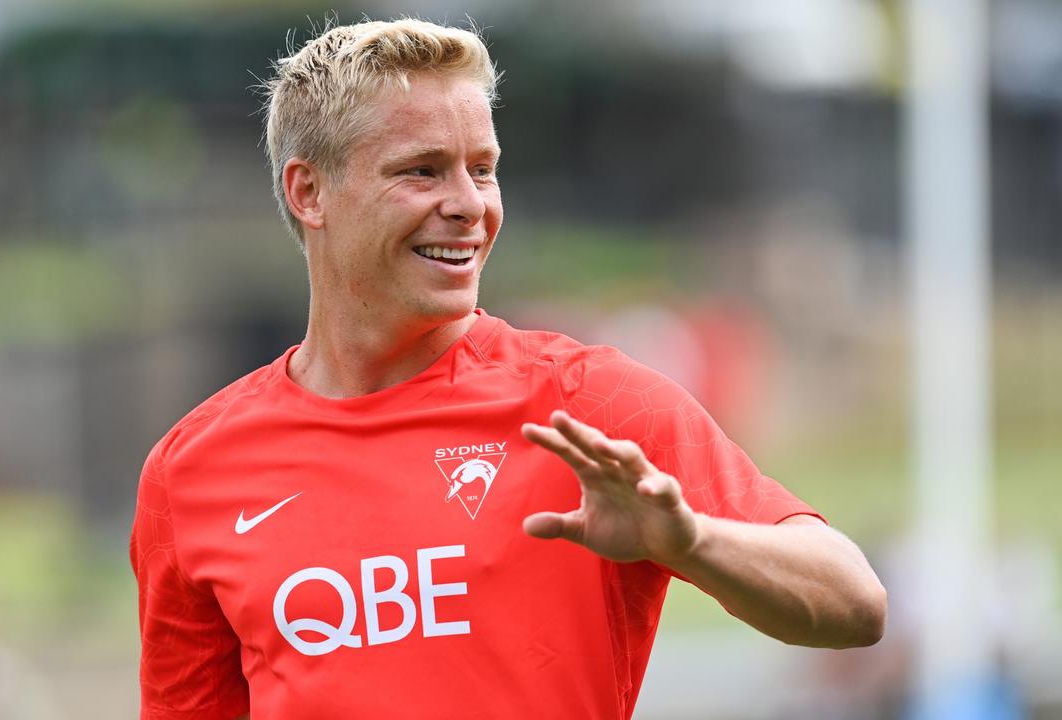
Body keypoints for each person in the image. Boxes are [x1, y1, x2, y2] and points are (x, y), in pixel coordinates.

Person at [130, 18, 887, 720]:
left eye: (482, 170)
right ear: (309, 192)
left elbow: (854, 603)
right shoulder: (192, 473)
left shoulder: (589, 407)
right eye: (422, 172)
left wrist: (689, 542)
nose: (468, 205)